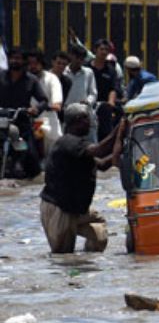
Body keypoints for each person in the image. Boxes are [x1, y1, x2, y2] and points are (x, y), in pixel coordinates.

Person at [39, 104, 124, 254]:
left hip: (76, 208)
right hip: (59, 208)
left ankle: (88, 266)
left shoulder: (78, 148)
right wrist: (120, 128)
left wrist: (122, 149)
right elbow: (100, 150)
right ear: (78, 121)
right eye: (87, 119)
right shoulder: (68, 143)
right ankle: (73, 274)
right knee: (64, 257)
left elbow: (103, 164)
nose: (90, 124)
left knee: (99, 232)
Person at [0, 46, 49, 178]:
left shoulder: (31, 80)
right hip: (2, 119)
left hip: (21, 121)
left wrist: (35, 109)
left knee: (31, 160)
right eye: (12, 58)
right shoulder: (1, 76)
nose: (14, 61)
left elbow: (44, 100)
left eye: (18, 59)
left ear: (24, 62)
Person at [27, 49, 63, 156]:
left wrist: (53, 105)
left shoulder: (51, 78)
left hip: (47, 119)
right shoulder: (24, 79)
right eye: (30, 64)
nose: (32, 66)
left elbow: (57, 101)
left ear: (42, 63)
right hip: (27, 119)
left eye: (36, 63)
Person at [90, 39, 122, 141]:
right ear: (95, 50)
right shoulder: (87, 68)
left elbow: (113, 88)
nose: (104, 52)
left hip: (104, 106)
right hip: (89, 106)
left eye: (106, 50)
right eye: (101, 49)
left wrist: (111, 102)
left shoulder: (111, 70)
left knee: (106, 133)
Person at [50, 51, 73, 117]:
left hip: (58, 112)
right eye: (59, 63)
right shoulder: (44, 76)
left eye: (64, 64)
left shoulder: (67, 81)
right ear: (53, 62)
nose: (61, 66)